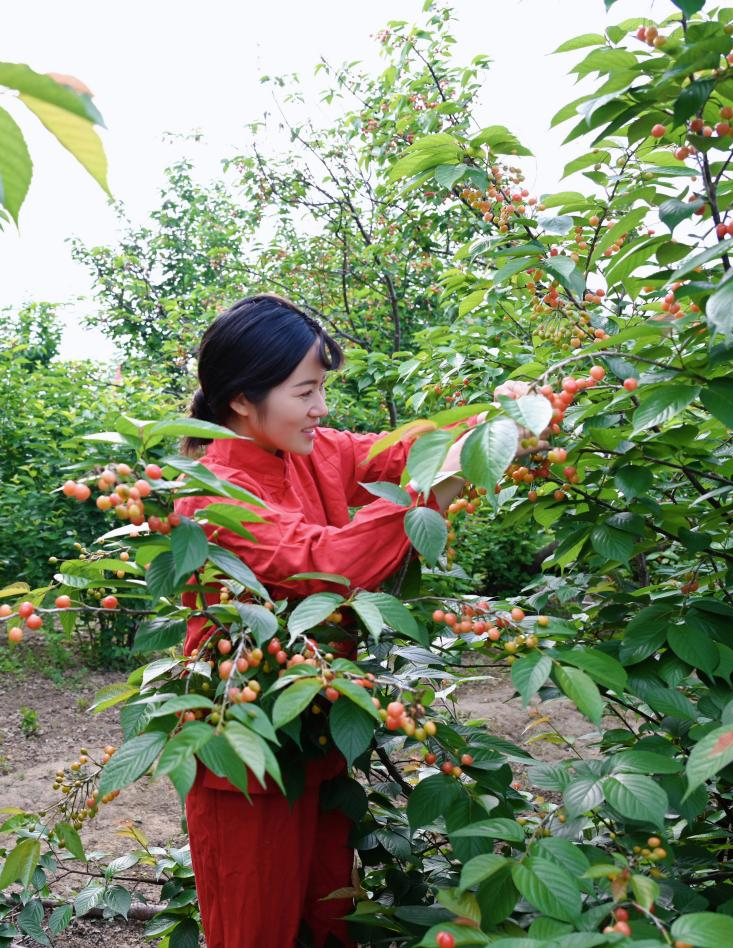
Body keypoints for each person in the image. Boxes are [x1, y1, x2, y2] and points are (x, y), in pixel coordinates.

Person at [171, 295, 528, 948]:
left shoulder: (315, 452)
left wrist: (496, 422)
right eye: (306, 391)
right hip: (242, 760)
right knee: (253, 932)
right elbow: (323, 563)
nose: (321, 407)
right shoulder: (212, 493)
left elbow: (397, 452)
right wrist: (431, 495)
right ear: (244, 399)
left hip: (318, 739)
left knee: (329, 918)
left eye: (322, 389)